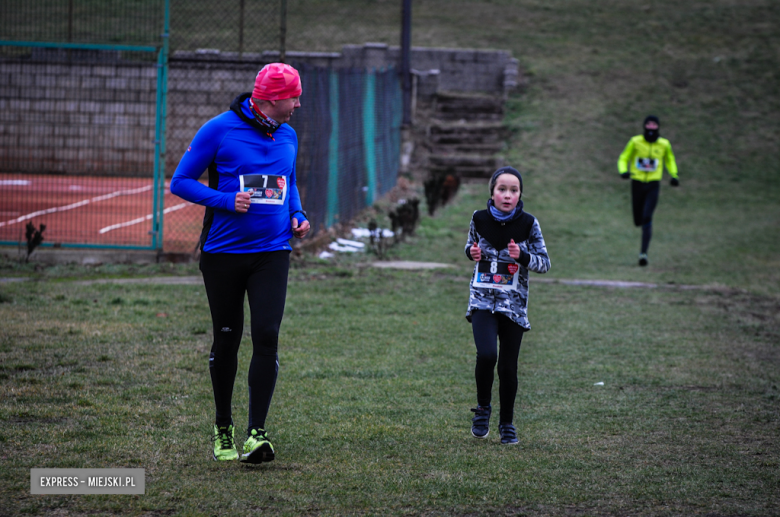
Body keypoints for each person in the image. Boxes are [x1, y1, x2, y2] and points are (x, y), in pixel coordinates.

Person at [170, 63, 310, 464]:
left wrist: (296, 215)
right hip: (223, 255)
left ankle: (257, 433)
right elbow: (180, 181)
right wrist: (226, 201)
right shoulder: (219, 128)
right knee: (227, 340)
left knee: (267, 335)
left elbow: (290, 180)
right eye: (294, 97)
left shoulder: (288, 134)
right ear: (271, 99)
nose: (298, 104)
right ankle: (223, 427)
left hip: (272, 252)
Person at [464, 166, 550, 445]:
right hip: (481, 301)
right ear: (492, 192)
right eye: (502, 189)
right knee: (487, 355)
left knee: (507, 368)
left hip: (513, 307)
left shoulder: (528, 224)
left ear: (520, 194)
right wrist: (471, 252)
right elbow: (470, 247)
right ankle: (482, 410)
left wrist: (522, 255)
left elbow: (544, 264)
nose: (507, 195)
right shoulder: (478, 219)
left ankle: (507, 424)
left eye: (514, 190)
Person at [617, 115, 680, 266]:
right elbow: (624, 157)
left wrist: (674, 175)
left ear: (658, 127)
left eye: (654, 124)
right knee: (638, 219)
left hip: (653, 184)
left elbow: (670, 160)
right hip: (637, 183)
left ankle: (643, 254)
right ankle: (641, 224)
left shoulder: (664, 144)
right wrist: (623, 171)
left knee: (647, 217)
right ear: (644, 126)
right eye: (649, 124)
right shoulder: (635, 141)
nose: (651, 127)